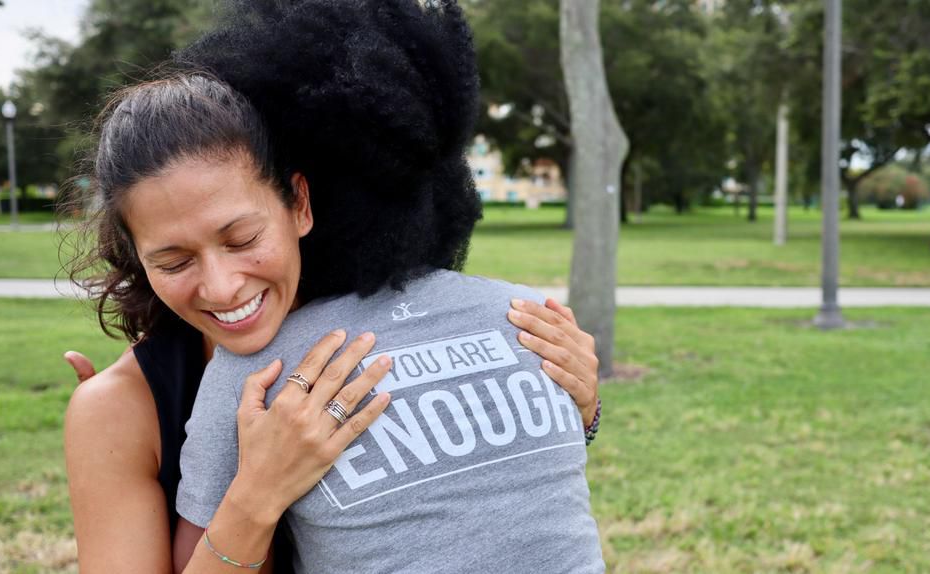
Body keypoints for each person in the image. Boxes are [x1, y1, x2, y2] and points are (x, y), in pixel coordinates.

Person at [62, 2, 600, 572]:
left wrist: (576, 409)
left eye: (242, 238)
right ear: (137, 258)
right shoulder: (120, 411)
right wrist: (258, 492)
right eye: (173, 261)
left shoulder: (369, 326)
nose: (221, 287)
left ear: (300, 204)